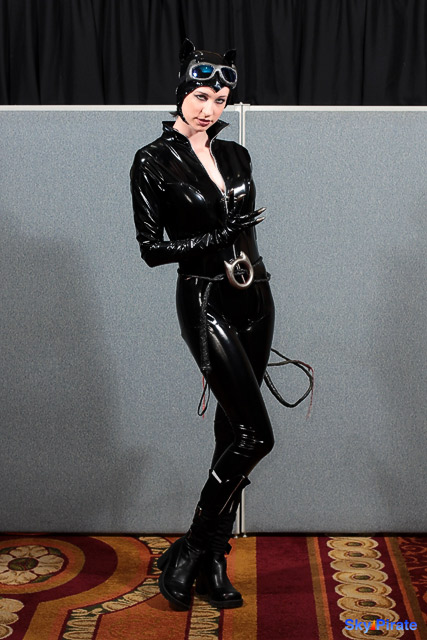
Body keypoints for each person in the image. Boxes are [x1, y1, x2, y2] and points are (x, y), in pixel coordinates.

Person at [130, 39, 275, 611]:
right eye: (199, 96)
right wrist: (217, 237)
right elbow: (151, 250)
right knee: (256, 436)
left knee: (230, 433)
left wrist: (237, 244)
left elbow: (248, 232)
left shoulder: (237, 155)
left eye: (219, 100)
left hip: (255, 295)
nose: (208, 108)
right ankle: (192, 545)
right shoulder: (152, 160)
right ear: (180, 94)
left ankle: (213, 558)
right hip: (204, 297)